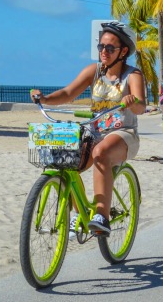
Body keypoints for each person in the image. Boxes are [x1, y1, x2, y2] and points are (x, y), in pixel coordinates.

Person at [30, 21, 145, 237]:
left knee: (100, 153)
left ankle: (102, 216)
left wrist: (132, 101)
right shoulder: (94, 71)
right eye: (101, 47)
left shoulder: (133, 75)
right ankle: (78, 213)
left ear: (124, 51)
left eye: (110, 48)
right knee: (66, 162)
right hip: (94, 132)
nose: (104, 52)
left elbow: (141, 106)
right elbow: (68, 93)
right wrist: (44, 98)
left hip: (123, 134)